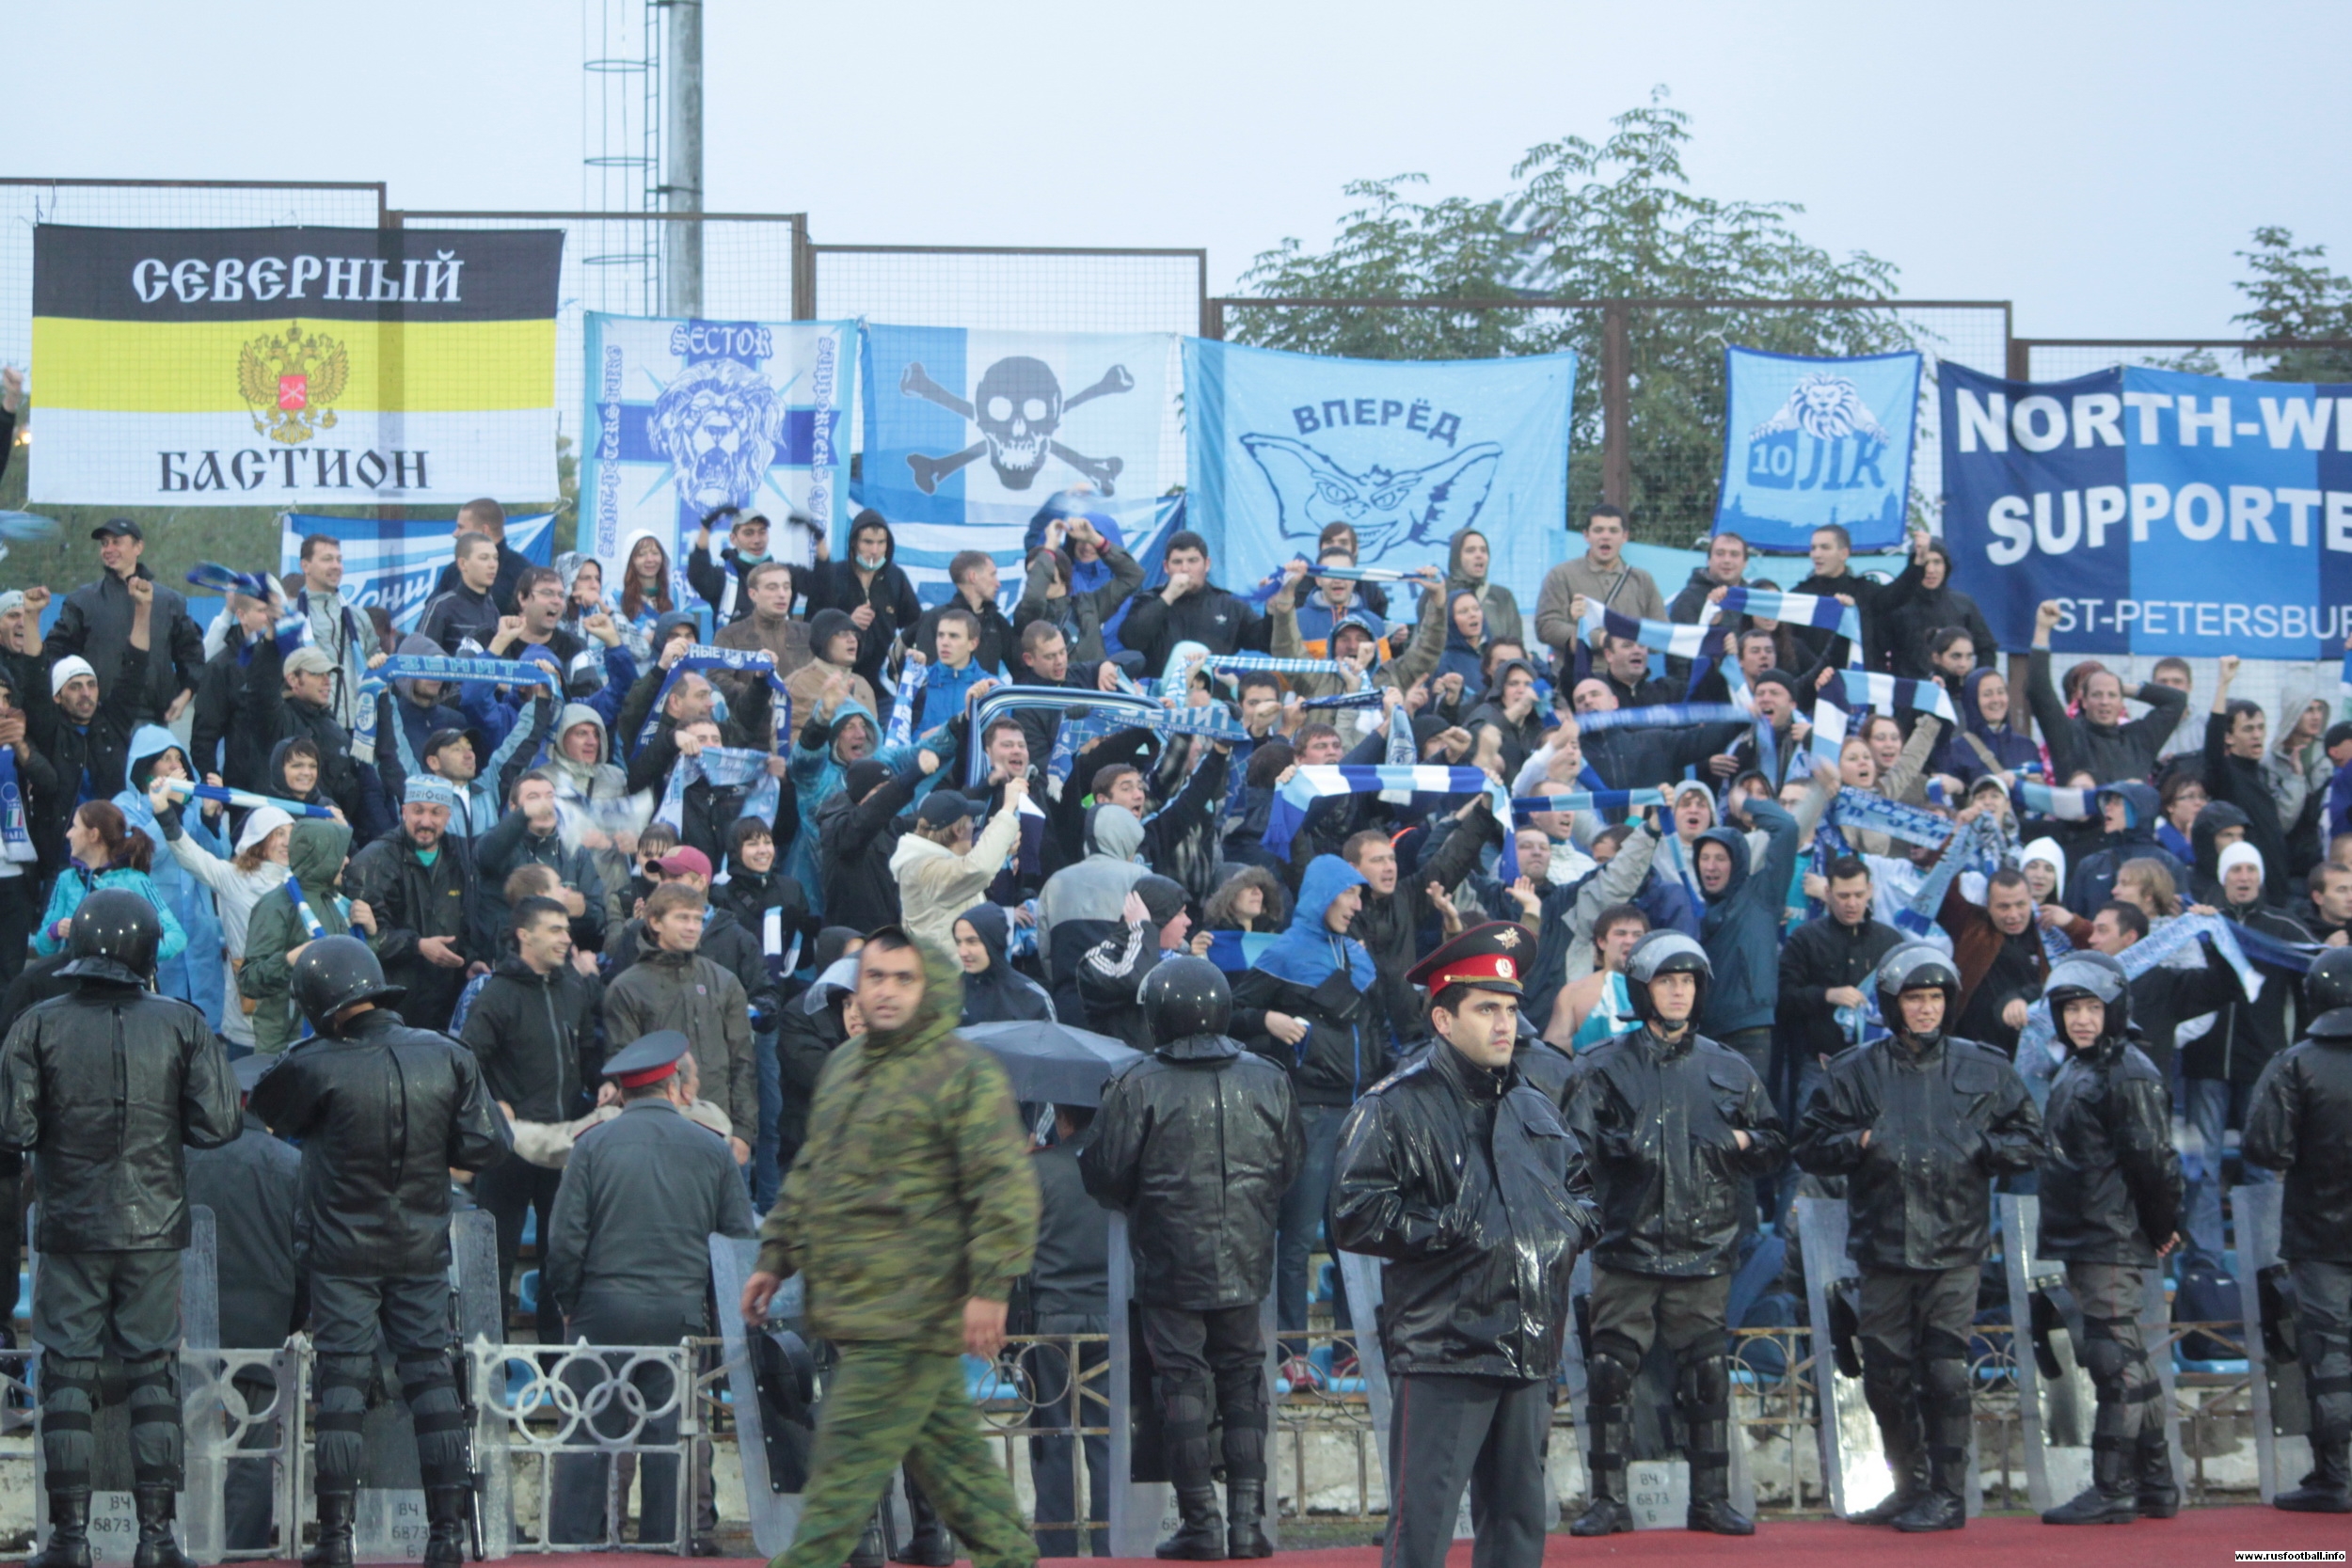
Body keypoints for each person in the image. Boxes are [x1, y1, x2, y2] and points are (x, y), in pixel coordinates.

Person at [739, 928, 1041, 1568]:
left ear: (928, 987)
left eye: (904, 978)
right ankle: (1011, 1556)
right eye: (875, 976)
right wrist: (775, 1255)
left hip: (911, 1308)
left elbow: (1004, 1187)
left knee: (840, 1474)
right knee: (958, 1469)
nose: (886, 991)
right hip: (859, 1303)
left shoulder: (962, 1072)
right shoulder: (845, 1065)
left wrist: (991, 1287)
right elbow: (813, 1170)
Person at [1329, 923, 1598, 1568]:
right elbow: (1352, 1213)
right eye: (1486, 1009)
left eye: (1509, 1008)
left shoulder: (1535, 1105)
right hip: (1445, 1347)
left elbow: (1585, 1196)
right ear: (1443, 1019)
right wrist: (1448, 1230)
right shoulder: (1395, 1105)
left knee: (1518, 1525)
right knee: (1421, 1527)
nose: (1504, 1023)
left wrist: (1563, 1230)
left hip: (1529, 1342)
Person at [248, 936, 509, 1568]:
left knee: (340, 1386)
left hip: (341, 1251)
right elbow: (486, 1145)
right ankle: (445, 1537)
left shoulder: (312, 1062)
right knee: (432, 1381)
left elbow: (271, 1111)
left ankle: (335, 1539)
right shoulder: (447, 1053)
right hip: (421, 1244)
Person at [0, 890, 241, 1568]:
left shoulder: (37, 1023)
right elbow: (220, 1124)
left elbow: (14, 1127)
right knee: (153, 1376)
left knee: (66, 1376)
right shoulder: (183, 1021)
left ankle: (69, 1540)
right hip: (154, 1226)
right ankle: (156, 1539)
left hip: (70, 1224)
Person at [1795, 945, 2044, 1531]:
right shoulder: (1855, 1070)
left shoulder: (1984, 1066)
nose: (1926, 1008)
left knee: (1945, 1370)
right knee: (1884, 1374)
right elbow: (1808, 1144)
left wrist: (1986, 1147)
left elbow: (2033, 1140)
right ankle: (1908, 1485)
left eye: (1935, 998)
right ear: (1893, 1004)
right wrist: (1858, 1141)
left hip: (1956, 1244)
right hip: (1883, 1245)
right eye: (1915, 998)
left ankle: (1949, 1494)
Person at [1561, 931, 1784, 1536]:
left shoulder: (1730, 1066)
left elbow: (1774, 1143)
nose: (1678, 992)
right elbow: (1569, 1156)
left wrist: (1741, 1139)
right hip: (1626, 1244)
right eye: (1666, 981)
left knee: (1707, 1373)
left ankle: (1710, 1500)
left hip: (1704, 1245)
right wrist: (1614, 1151)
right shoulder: (1599, 1066)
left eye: (1687, 982)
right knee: (1610, 1370)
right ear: (1644, 989)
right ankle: (1608, 1500)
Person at [1082, 957, 1302, 1560]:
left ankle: (1202, 1522)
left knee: (1181, 1382)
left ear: (1157, 1015)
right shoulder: (1269, 1077)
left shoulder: (1137, 1082)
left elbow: (1103, 1174)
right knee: (1242, 1377)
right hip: (1245, 1256)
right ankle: (1247, 1524)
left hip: (1168, 1259)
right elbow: (1289, 1166)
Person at [543, 1031, 758, 1549]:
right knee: (670, 1437)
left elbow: (564, 1241)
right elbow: (736, 1243)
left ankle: (573, 1547)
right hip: (680, 1313)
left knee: (589, 1433)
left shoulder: (591, 1145)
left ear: (623, 1091)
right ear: (673, 1085)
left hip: (601, 1311)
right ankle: (669, 1544)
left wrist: (570, 1304)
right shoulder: (712, 1148)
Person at [2032, 953, 2186, 1526]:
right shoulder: (2080, 1066)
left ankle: (2114, 1486)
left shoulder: (2127, 1071)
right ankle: (2156, 1484)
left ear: (2114, 1010)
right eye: (2071, 1008)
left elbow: (2154, 1159)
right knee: (2126, 1355)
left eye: (2092, 1007)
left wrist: (2162, 1225)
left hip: (2109, 1232)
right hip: (2088, 1230)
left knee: (2112, 1358)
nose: (2080, 1019)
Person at [1230, 854, 1383, 1358]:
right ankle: (1292, 1353)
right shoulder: (1285, 952)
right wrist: (1268, 1019)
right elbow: (1231, 1011)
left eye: (1360, 895)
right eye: (1349, 893)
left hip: (1359, 1112)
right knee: (1296, 1238)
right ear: (1323, 895)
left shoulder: (1356, 955)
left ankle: (1350, 1352)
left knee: (1351, 1240)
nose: (1357, 905)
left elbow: (1377, 1029)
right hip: (1310, 1111)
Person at [461, 896, 605, 1343]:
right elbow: (466, 1062)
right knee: (496, 1260)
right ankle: (491, 1364)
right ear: (524, 934)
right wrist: (493, 1103)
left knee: (559, 1259)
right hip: (508, 1146)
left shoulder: (573, 989)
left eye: (567, 929)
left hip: (562, 1145)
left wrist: (606, 1083)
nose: (566, 938)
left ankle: (556, 1365)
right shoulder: (497, 994)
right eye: (555, 929)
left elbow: (588, 1054)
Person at [2242, 945, 2352, 1513]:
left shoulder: (2295, 1063)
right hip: (2319, 1229)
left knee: (2329, 1352)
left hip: (2319, 1229)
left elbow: (2266, 1147)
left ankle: (2338, 1475)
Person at [184, 1053, 305, 1552]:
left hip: (187, 1326)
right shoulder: (291, 1164)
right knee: (252, 1451)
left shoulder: (180, 1156)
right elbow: (305, 1256)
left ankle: (181, 1546)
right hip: (261, 1327)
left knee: (181, 1444)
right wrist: (293, 1318)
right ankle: (242, 1553)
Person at [1022, 1105, 1112, 1559]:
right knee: (1107, 1440)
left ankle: (1056, 1547)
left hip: (1054, 1318)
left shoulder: (1038, 1169)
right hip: (1109, 1316)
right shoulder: (1118, 1170)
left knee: (1052, 1438)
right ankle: (1110, 1544)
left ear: (1062, 1119)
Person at [345, 777, 485, 1034]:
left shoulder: (456, 857)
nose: (426, 821)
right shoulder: (374, 860)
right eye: (418, 810)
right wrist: (418, 946)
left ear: (448, 816)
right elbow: (364, 940)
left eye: (436, 812)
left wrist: (469, 962)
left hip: (442, 1005)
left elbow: (461, 926)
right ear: (404, 811)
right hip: (393, 1007)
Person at [1777, 856, 1906, 1123]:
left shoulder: (1890, 941)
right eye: (1843, 896)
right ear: (1827, 893)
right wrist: (1827, 995)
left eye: (1858, 895)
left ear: (1870, 890)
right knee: (1812, 1140)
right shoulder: (1805, 939)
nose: (1852, 903)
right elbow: (1784, 996)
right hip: (1819, 1062)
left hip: (1876, 1064)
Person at [48, 518, 205, 726]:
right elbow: (55, 652)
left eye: (116, 542)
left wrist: (186, 694)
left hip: (152, 719)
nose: (108, 549)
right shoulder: (82, 601)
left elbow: (192, 655)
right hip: (97, 720)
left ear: (138, 547)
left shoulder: (169, 602)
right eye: (104, 543)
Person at [2021, 600, 2188, 784]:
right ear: (2083, 701)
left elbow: (2177, 700)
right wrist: (2043, 629)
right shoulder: (2068, 736)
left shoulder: (2138, 739)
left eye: (2112, 695)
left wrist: (2121, 687)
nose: (2105, 702)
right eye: (2097, 695)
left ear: (2121, 702)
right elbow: (2038, 691)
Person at [32, 800, 190, 968]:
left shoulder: (135, 881)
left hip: (123, 981)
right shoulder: (66, 879)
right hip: (75, 979)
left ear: (93, 835)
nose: (68, 834)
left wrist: (133, 949)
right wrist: (54, 931)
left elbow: (177, 937)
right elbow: (43, 948)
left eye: (75, 827)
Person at [891, 785, 1028, 960]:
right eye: (971, 821)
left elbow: (967, 870)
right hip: (944, 975)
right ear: (958, 830)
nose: (974, 826)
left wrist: (1001, 848)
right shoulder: (924, 869)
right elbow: (978, 869)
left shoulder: (930, 861)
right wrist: (1008, 809)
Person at [1534, 505, 1666, 674]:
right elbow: (1546, 627)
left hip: (1629, 681)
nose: (1605, 536)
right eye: (1598, 530)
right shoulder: (1561, 575)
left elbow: (1661, 635)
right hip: (1577, 679)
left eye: (1613, 531)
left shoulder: (1642, 580)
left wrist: (1629, 642)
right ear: (1586, 535)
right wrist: (1598, 639)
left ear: (1625, 536)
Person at [1118, 531, 1264, 673]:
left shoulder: (1229, 604)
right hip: (1161, 688)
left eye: (1192, 561)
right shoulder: (1148, 600)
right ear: (1166, 567)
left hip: (1212, 688)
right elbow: (1130, 640)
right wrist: (1168, 596)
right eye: (1177, 562)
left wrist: (1273, 610)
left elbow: (1264, 641)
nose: (1184, 569)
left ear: (1207, 564)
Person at [953, 904, 1056, 1026]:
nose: (962, 952)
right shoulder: (947, 994)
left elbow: (1050, 1037)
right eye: (958, 942)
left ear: (994, 941)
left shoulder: (1031, 997)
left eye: (972, 942)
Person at [418, 532, 506, 654]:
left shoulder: (492, 608)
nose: (493, 565)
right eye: (484, 558)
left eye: (495, 558)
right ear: (463, 564)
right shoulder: (441, 607)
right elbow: (420, 654)